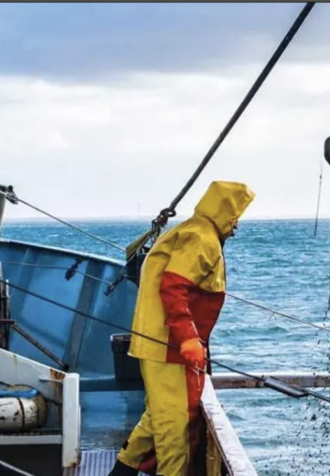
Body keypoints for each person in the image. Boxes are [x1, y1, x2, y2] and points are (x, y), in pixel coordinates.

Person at [109, 181, 255, 476]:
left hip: (157, 343)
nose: (237, 224)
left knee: (157, 416)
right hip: (168, 346)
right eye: (235, 215)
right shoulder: (202, 237)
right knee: (174, 429)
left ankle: (120, 472)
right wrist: (188, 339)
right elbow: (174, 287)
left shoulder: (191, 230)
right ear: (224, 211)